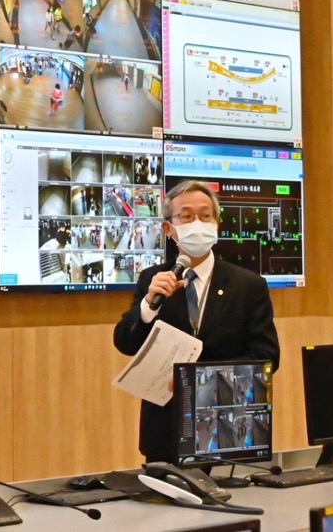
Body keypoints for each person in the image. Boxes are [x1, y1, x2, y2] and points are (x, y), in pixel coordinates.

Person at [113, 179, 280, 462]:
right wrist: (147, 306)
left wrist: (198, 380)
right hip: (165, 431)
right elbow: (125, 343)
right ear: (169, 229)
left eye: (205, 216)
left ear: (216, 224)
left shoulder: (248, 285)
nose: (198, 224)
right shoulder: (153, 279)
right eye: (187, 216)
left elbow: (268, 357)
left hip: (227, 428)